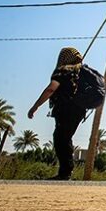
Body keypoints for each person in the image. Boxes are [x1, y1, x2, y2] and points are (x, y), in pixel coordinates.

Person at [28, 47, 87, 181]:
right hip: (79, 111)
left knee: (61, 138)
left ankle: (65, 172)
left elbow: (51, 89)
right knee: (65, 137)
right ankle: (66, 171)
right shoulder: (82, 72)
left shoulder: (63, 71)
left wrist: (35, 106)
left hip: (65, 109)